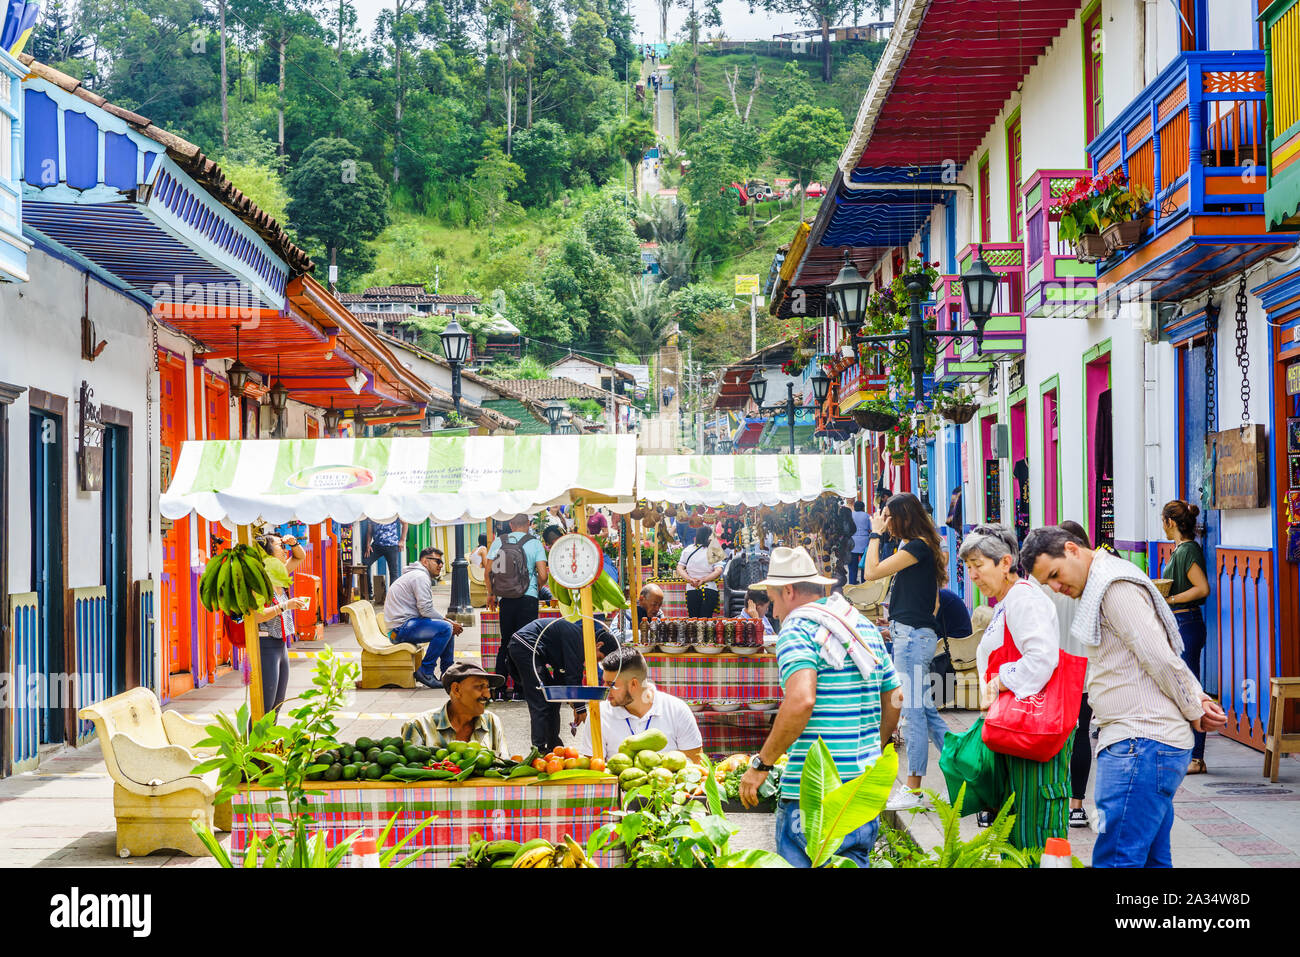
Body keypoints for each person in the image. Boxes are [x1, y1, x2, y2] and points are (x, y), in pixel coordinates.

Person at [1021, 526, 1228, 868]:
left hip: (1140, 744)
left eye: (1055, 575)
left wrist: (1194, 706)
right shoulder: (1103, 582)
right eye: (1048, 584)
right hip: (1143, 744)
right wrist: (1194, 697)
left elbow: (1159, 656)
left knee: (1117, 860)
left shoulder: (1113, 587)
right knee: (1150, 861)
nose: (1057, 587)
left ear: (1072, 549)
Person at [738, 547, 901, 867]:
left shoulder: (798, 628)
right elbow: (896, 696)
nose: (772, 611)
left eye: (772, 600)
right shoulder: (860, 626)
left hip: (811, 798)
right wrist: (874, 746)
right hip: (859, 795)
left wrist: (761, 764)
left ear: (788, 591)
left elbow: (800, 700)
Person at [961, 524, 1074, 851]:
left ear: (1005, 563)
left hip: (1032, 729)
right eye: (968, 568)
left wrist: (999, 681)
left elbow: (1042, 657)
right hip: (1017, 731)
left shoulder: (1024, 600)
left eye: (979, 566)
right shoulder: (1006, 603)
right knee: (1016, 824)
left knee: (1034, 828)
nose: (973, 576)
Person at [862, 491, 950, 810]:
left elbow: (871, 573)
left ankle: (913, 791)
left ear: (903, 517)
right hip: (910, 634)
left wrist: (874, 533)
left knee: (912, 712)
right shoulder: (915, 547)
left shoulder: (917, 547)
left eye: (889, 516)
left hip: (913, 637)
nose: (886, 522)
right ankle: (966, 767)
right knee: (923, 710)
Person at [1043, 520, 1095, 828]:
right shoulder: (1092, 581)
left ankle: (1055, 798)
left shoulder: (1046, 582)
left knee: (1055, 737)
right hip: (1085, 671)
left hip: (1054, 670)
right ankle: (1076, 806)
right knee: (1080, 735)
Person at [508, 616, 618, 751]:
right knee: (539, 700)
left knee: (553, 701)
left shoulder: (578, 639)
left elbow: (563, 678)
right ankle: (539, 750)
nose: (595, 662)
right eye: (599, 658)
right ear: (598, 645)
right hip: (525, 645)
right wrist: (580, 708)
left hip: (530, 648)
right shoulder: (579, 639)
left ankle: (554, 744)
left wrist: (573, 702)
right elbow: (573, 674)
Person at [577, 647, 703, 762]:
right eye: (604, 682)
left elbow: (695, 763)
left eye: (611, 684)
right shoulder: (599, 714)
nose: (605, 689)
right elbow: (593, 768)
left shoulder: (676, 710)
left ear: (634, 684)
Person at [1161, 500, 1211, 774]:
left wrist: (1171, 598)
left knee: (1191, 689)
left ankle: (1196, 757)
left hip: (1187, 621)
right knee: (1184, 687)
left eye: (1164, 521)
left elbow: (1202, 588)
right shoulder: (1180, 550)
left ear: (1170, 522)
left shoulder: (1187, 550)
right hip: (1181, 621)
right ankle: (1190, 753)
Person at [485, 513, 550, 701]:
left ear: (511, 525)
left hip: (506, 598)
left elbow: (488, 571)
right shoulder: (535, 543)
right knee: (527, 643)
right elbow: (543, 574)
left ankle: (498, 689)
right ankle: (522, 689)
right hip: (527, 598)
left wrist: (491, 594)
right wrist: (534, 587)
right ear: (529, 524)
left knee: (505, 641)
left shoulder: (499, 541)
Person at [384, 547, 462, 688]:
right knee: (445, 628)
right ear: (425, 561)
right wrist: (448, 622)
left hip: (406, 625)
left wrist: (448, 623)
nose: (440, 565)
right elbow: (425, 609)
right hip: (399, 630)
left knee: (447, 627)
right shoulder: (420, 577)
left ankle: (447, 673)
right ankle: (426, 671)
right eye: (437, 561)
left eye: (442, 562)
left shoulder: (418, 575)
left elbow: (425, 610)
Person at [249, 533, 309, 714]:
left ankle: (270, 743)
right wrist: (285, 606)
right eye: (279, 546)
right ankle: (254, 742)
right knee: (265, 707)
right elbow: (256, 617)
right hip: (265, 645)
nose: (284, 550)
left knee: (276, 705)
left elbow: (300, 556)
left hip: (281, 645)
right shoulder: (260, 582)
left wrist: (294, 543)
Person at [400, 662, 509, 754]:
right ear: (456, 690)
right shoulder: (419, 726)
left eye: (487, 688)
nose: (487, 695)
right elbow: (412, 772)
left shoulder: (491, 721)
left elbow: (503, 765)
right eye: (479, 687)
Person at [677, 526, 723, 617]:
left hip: (692, 589)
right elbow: (719, 570)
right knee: (706, 621)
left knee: (694, 621)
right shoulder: (714, 549)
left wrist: (690, 580)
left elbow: (679, 568)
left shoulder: (688, 549)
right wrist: (704, 580)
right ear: (709, 536)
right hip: (709, 589)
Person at [364, 517, 408, 589]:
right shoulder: (372, 513)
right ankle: (369, 592)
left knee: (393, 572)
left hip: (392, 546)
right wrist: (368, 544)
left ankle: (393, 595)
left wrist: (402, 540)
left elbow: (405, 523)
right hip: (377, 546)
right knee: (365, 565)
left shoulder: (392, 512)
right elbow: (369, 531)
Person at [848, 500, 872, 584]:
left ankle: (852, 583)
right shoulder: (867, 516)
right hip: (864, 542)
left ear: (854, 507)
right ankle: (864, 582)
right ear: (863, 507)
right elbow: (871, 528)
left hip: (852, 542)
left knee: (852, 566)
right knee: (864, 564)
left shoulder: (850, 515)